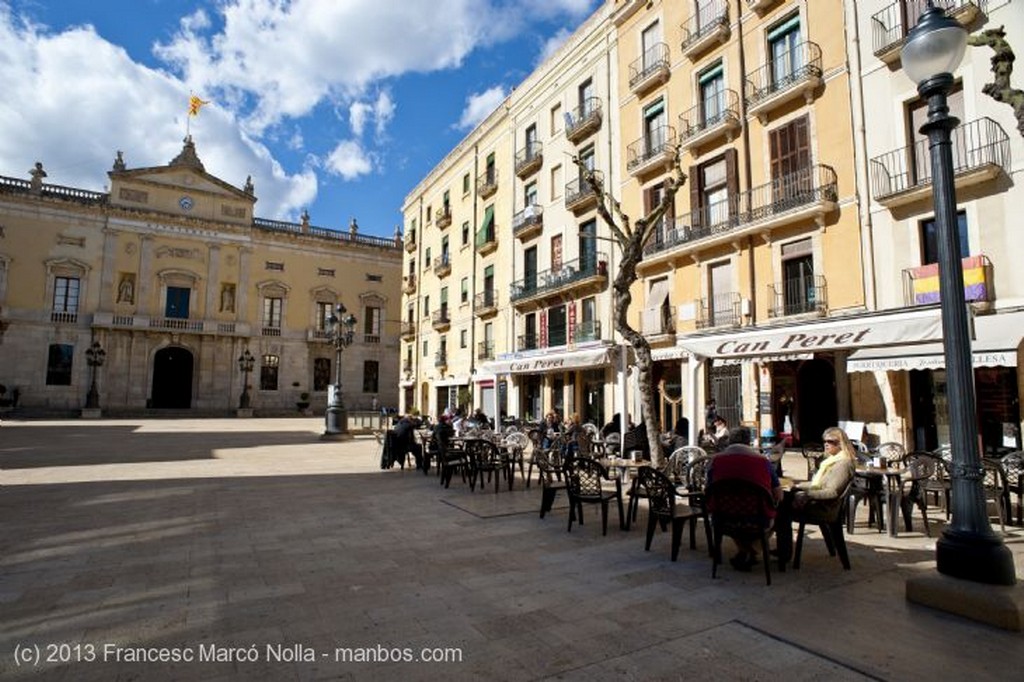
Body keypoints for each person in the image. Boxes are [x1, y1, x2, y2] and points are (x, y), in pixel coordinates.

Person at [706, 426, 783, 571]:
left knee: (737, 509)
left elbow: (708, 488)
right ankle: (759, 551)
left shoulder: (715, 461)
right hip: (756, 520)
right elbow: (779, 495)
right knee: (782, 512)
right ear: (749, 442)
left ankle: (745, 551)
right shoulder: (763, 462)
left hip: (723, 519)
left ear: (729, 441)